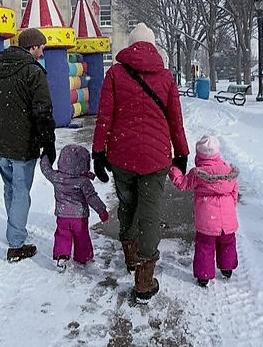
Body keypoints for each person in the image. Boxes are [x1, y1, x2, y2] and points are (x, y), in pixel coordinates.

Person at [91, 22, 189, 301]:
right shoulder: (165, 77)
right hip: (156, 158)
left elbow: (104, 117)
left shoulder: (115, 73)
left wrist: (98, 152)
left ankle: (130, 255)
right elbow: (175, 120)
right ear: (153, 45)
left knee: (128, 205)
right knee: (150, 213)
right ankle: (144, 281)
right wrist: (181, 154)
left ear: (131, 44)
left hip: (121, 155)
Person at [0, 27, 56, 263]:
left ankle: (15, 231)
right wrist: (48, 142)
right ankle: (16, 244)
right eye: (41, 47)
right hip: (23, 143)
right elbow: (42, 110)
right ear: (33, 47)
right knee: (21, 190)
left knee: (10, 188)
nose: (43, 51)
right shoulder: (33, 71)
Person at [168, 135, 239, 287]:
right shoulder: (228, 171)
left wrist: (174, 170)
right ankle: (227, 269)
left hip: (207, 219)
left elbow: (182, 184)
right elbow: (234, 192)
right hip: (227, 218)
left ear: (199, 155)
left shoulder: (198, 173)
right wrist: (231, 207)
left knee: (205, 246)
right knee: (227, 242)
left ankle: (204, 276)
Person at [39, 143, 110, 271]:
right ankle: (83, 257)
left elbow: (46, 170)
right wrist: (102, 210)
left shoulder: (57, 177)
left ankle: (62, 256)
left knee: (62, 235)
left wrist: (45, 156)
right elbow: (91, 197)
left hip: (62, 215)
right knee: (81, 236)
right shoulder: (83, 181)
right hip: (79, 217)